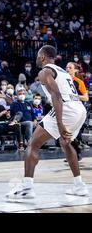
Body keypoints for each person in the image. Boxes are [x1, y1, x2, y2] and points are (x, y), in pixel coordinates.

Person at [7, 46, 88, 199]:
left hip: (66, 108)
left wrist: (59, 123)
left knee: (32, 144)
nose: (37, 59)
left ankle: (27, 187)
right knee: (66, 143)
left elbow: (56, 96)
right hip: (79, 109)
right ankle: (79, 186)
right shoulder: (62, 71)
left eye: (38, 56)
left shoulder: (45, 71)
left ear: (43, 56)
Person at [65, 62, 89, 161]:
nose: (67, 69)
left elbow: (86, 98)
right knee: (66, 133)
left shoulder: (79, 82)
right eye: (66, 67)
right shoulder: (61, 81)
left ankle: (76, 154)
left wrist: (74, 96)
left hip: (76, 111)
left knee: (71, 134)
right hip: (65, 109)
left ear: (75, 70)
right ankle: (74, 153)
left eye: (70, 67)